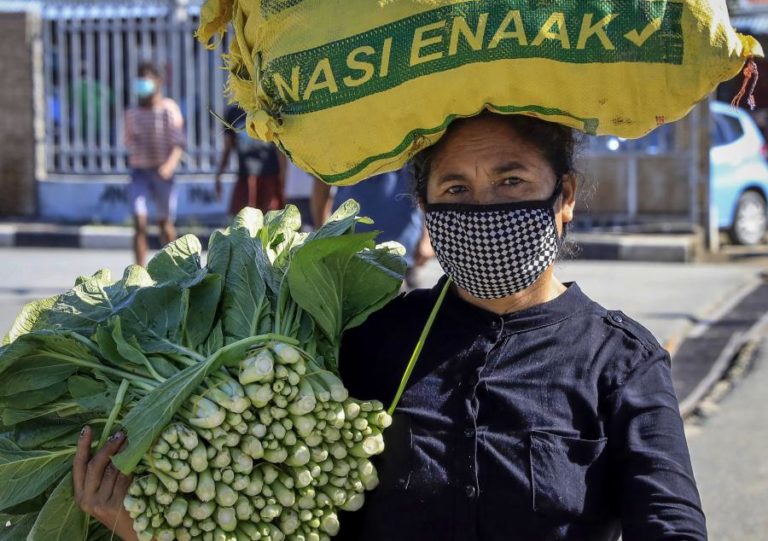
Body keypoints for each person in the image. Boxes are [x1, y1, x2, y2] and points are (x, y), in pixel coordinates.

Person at [73, 112, 707, 541]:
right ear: (425, 209)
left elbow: (671, 523)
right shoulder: (372, 342)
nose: (482, 207)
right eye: (454, 189)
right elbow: (293, 518)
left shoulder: (621, 361)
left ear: (563, 196)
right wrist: (145, 523)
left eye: (511, 180)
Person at [311, 168, 434, 273]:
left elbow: (430, 187)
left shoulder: (414, 143)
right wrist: (324, 232)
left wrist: (428, 240)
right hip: (349, 253)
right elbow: (322, 182)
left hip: (404, 256)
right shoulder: (344, 144)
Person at [124, 62, 185, 267]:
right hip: (140, 173)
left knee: (164, 223)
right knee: (139, 223)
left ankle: (177, 268)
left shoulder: (169, 109)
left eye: (146, 78)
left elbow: (178, 144)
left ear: (158, 82)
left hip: (163, 174)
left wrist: (169, 166)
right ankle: (139, 271)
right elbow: (128, 142)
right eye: (139, 78)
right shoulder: (132, 114)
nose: (142, 83)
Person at [215, 104, 287, 215]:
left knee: (271, 223)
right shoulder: (233, 113)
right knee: (244, 223)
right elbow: (227, 147)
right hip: (246, 177)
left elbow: (281, 147)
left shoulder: (269, 108)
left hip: (270, 175)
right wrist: (219, 175)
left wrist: (283, 177)